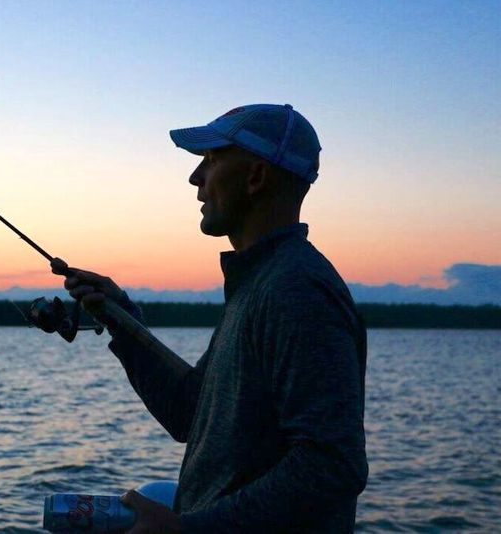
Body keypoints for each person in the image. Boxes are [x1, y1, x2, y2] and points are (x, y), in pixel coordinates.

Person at [52, 104, 368, 533]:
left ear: (256, 177)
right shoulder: (259, 281)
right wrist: (122, 320)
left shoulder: (295, 291)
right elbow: (190, 413)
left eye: (212, 160)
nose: (195, 178)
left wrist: (190, 531)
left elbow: (332, 464)